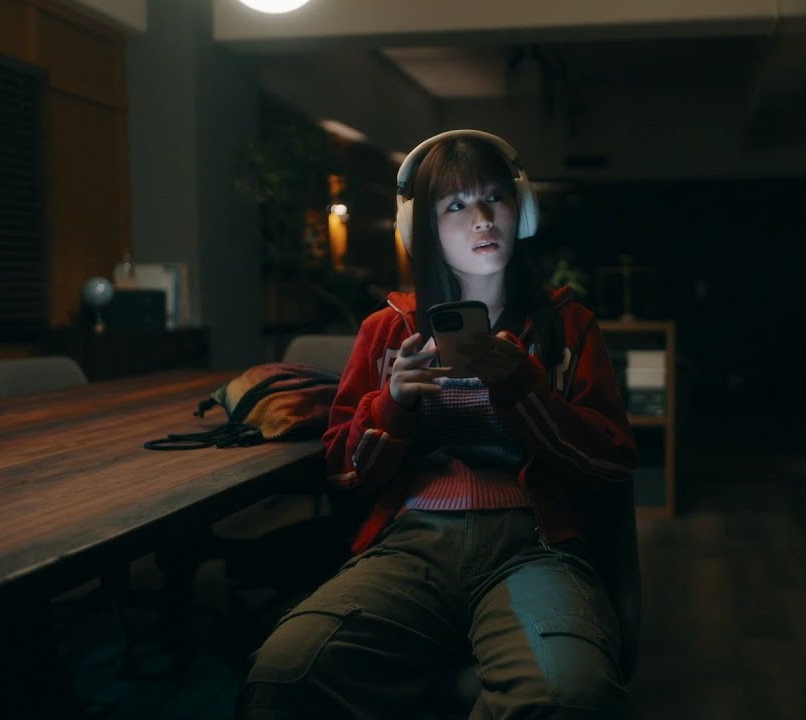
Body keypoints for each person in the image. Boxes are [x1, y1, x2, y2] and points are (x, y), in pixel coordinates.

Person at [237, 130, 640, 719]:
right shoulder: (387, 330)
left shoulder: (568, 326)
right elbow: (344, 473)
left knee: (569, 696)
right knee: (285, 673)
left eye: (495, 198)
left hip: (533, 542)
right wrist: (393, 403)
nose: (482, 218)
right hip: (413, 542)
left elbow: (611, 464)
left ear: (522, 210)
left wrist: (523, 386)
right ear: (421, 227)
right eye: (456, 205)